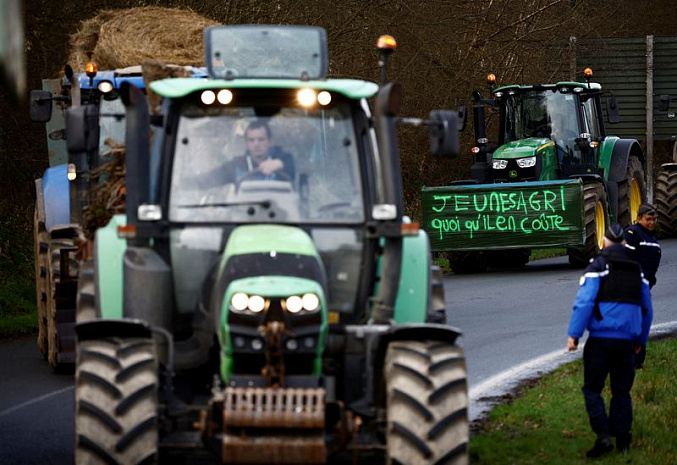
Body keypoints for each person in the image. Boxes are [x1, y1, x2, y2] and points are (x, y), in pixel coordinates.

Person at [566, 224, 653, 458]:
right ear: (624, 243)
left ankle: (603, 436)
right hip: (627, 342)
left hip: (601, 341)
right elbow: (647, 309)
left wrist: (574, 335)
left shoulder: (597, 266)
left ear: (604, 241)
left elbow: (584, 303)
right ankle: (623, 440)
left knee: (592, 389)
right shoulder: (638, 270)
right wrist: (641, 339)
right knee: (621, 391)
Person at [221, 120, 295, 184]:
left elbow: (292, 169)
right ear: (246, 144)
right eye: (251, 140)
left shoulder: (285, 159)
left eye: (261, 139)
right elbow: (212, 178)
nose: (256, 144)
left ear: (270, 142)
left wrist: (280, 164)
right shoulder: (236, 165)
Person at [624, 203, 661, 289]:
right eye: (648, 219)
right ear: (639, 218)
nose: (652, 223)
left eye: (654, 219)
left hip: (645, 286)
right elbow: (622, 257)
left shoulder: (651, 237)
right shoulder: (633, 234)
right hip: (633, 285)